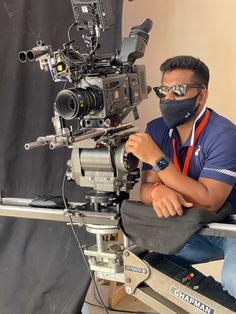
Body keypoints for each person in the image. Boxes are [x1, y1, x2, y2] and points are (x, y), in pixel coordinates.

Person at [125, 55, 236, 298]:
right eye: (163, 90)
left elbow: (209, 201)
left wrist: (158, 159)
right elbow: (146, 189)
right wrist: (158, 191)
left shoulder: (225, 135)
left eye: (178, 90)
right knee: (143, 262)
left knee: (234, 279)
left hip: (229, 226)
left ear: (202, 95)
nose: (168, 98)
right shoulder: (156, 129)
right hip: (186, 226)